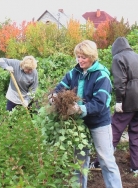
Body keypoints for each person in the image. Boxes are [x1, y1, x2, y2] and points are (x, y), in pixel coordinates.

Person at [48, 40, 122, 188]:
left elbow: (101, 103)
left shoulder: (101, 76)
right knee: (80, 161)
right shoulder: (73, 73)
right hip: (79, 125)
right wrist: (53, 97)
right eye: (78, 56)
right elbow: (60, 88)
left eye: (84, 57)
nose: (80, 60)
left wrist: (80, 109)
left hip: (98, 123)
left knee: (106, 160)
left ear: (92, 56)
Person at [110, 37, 138, 174]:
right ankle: (136, 167)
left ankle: (100, 161)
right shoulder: (136, 56)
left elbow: (120, 81)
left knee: (114, 129)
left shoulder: (118, 58)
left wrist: (119, 101)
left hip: (128, 99)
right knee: (136, 133)